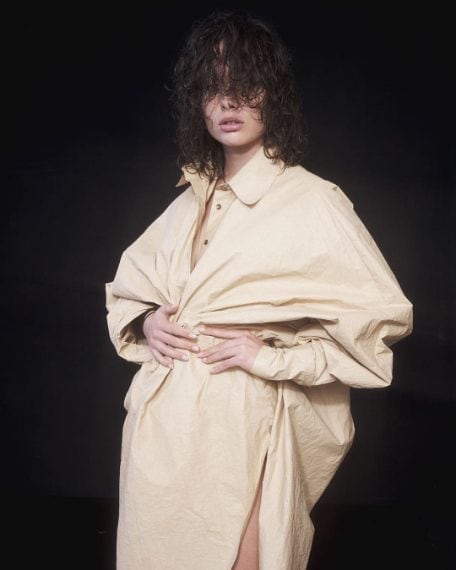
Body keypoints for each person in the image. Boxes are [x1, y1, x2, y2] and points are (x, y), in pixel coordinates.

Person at [105, 9, 413, 570]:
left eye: (245, 84)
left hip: (243, 419)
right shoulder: (188, 201)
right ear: (197, 103)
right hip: (164, 425)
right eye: (212, 87)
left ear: (273, 94)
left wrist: (271, 359)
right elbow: (130, 288)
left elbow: (379, 320)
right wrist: (148, 322)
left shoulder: (312, 200)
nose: (228, 101)